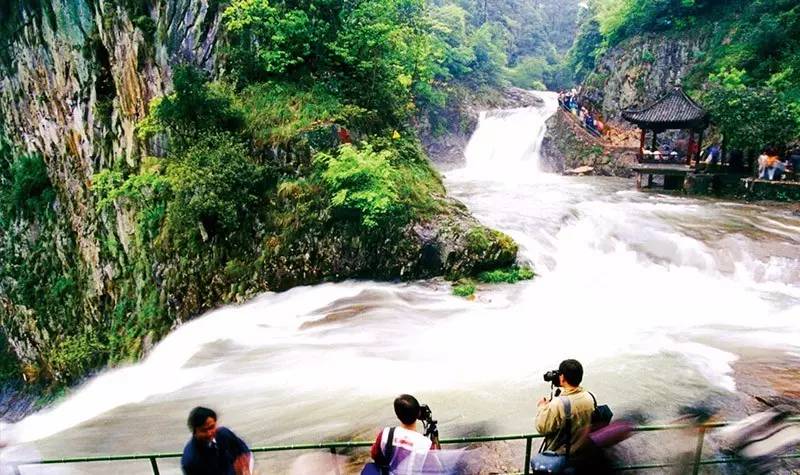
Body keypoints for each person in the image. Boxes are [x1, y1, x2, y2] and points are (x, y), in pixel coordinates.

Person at [535, 360, 595, 467]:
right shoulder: (590, 397)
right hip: (582, 453)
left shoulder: (558, 404)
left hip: (561, 457)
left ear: (562, 378)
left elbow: (541, 427)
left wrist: (542, 407)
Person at [370, 394, 435, 475]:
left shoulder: (385, 434)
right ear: (418, 414)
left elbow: (374, 455)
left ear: (397, 415)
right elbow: (435, 470)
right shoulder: (426, 444)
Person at [181, 407, 252, 475]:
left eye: (211, 427)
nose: (209, 433)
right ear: (194, 431)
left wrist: (246, 468)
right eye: (203, 430)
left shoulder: (224, 434)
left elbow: (244, 452)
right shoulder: (190, 460)